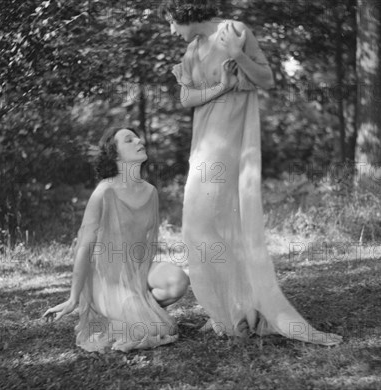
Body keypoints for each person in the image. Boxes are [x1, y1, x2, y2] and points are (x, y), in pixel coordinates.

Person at [161, 0, 342, 346]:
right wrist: (222, 87)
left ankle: (246, 307)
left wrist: (237, 55)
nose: (171, 30)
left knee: (213, 221)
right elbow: (186, 99)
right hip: (203, 141)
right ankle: (228, 309)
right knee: (200, 226)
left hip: (229, 140)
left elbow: (267, 79)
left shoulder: (234, 31)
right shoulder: (192, 49)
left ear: (185, 12)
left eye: (171, 22)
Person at [43, 127, 190, 352]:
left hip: (138, 270)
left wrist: (141, 277)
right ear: (115, 155)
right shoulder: (104, 192)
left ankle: (139, 309)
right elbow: (84, 248)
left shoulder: (151, 192)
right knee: (142, 328)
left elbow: (146, 244)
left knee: (178, 280)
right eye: (129, 140)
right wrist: (74, 298)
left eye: (137, 137)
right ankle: (130, 312)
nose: (139, 140)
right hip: (106, 279)